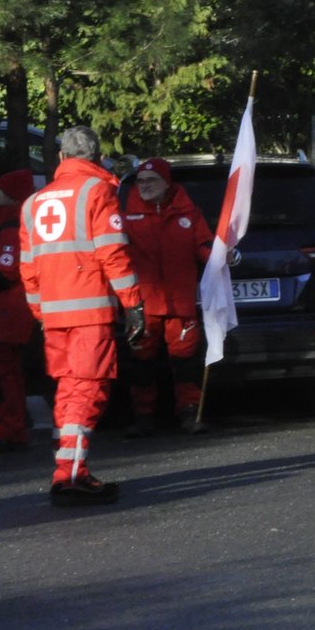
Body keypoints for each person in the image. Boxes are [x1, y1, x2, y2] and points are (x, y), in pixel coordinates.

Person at [20, 127, 146, 505]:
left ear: (60, 158)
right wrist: (133, 304)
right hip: (90, 309)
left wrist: (40, 309)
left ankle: (68, 468)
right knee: (87, 390)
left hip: (54, 316)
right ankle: (72, 474)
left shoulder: (33, 203)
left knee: (68, 390)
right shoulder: (97, 192)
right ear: (95, 157)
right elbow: (113, 253)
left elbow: (28, 267)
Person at [120, 158, 214, 436]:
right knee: (141, 364)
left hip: (180, 302)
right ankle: (143, 417)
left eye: (151, 180)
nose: (145, 185)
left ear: (166, 182)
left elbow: (204, 246)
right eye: (141, 181)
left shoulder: (189, 214)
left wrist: (223, 258)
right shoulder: (126, 217)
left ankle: (189, 413)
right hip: (143, 303)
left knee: (185, 361)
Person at [0, 170, 37, 452]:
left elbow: (3, 273)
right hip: (2, 314)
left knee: (3, 374)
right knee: (3, 374)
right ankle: (7, 426)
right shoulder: (2, 222)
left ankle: (11, 428)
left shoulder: (9, 225)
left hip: (4, 314)